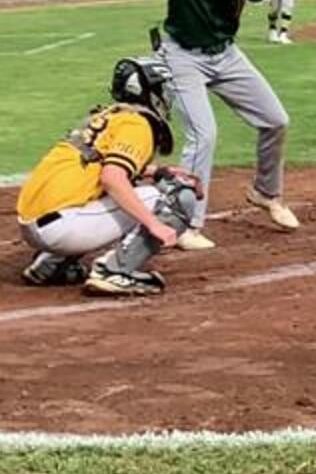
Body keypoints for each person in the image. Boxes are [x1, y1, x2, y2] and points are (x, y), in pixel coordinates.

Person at [121, 0, 297, 250]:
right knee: (204, 135)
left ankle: (266, 192)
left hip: (226, 54)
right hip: (181, 56)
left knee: (275, 120)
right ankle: (187, 224)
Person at [15, 56, 197, 297]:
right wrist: (154, 225)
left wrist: (158, 171)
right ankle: (114, 271)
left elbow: (97, 165)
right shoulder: (138, 124)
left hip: (33, 221)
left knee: (123, 183)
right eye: (161, 88)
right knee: (177, 195)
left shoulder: (109, 116)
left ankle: (53, 263)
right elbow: (112, 178)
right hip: (63, 228)